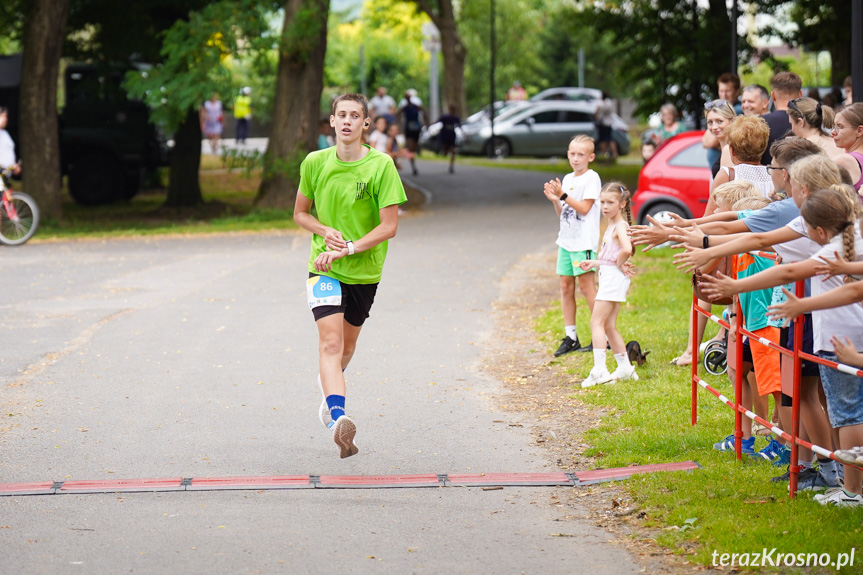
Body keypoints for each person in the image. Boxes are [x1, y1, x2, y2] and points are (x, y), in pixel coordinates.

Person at [700, 185, 863, 505]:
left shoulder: (836, 249)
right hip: (842, 340)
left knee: (847, 415)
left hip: (841, 341)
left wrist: (736, 284)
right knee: (844, 411)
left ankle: (850, 491)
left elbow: (790, 271)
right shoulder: (844, 245)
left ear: (818, 229)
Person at [293, 93, 407, 459]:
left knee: (346, 346)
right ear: (331, 121)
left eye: (354, 116)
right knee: (329, 344)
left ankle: (329, 387)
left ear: (365, 124)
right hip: (323, 267)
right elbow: (300, 214)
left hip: (364, 271)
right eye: (341, 115)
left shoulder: (381, 166)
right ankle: (338, 417)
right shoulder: (314, 163)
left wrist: (351, 247)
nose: (346, 121)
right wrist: (324, 231)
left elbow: (389, 227)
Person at [542, 135, 601, 356]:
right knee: (566, 288)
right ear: (567, 154)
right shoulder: (567, 179)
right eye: (572, 154)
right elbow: (564, 213)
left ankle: (601, 336)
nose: (575, 159)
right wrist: (556, 200)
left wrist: (563, 195)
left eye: (581, 155)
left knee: (587, 288)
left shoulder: (591, 178)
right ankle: (571, 337)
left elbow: (585, 208)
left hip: (582, 243)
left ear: (591, 157)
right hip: (566, 242)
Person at [578, 183, 637, 387]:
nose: (605, 206)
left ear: (622, 204)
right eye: (602, 202)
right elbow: (614, 255)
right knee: (609, 325)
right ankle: (626, 368)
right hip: (611, 276)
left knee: (596, 323)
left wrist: (619, 264)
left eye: (610, 202)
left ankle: (599, 370)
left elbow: (627, 249)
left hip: (612, 279)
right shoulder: (612, 225)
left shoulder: (620, 226)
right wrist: (595, 263)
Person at [759, 72, 803, 165]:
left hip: (767, 175)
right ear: (800, 95)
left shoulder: (759, 123)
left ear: (773, 95)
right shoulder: (809, 122)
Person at [830, 102, 863, 192]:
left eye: (840, 127)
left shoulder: (844, 160)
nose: (833, 132)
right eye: (834, 126)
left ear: (859, 131)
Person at [399, 91, 423, 176]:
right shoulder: (404, 108)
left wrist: (426, 123)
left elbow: (423, 112)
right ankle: (413, 166)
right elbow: (398, 114)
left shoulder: (416, 107)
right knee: (410, 147)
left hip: (416, 128)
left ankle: (417, 148)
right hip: (409, 129)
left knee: (414, 146)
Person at [437, 104, 461, 174]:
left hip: (452, 136)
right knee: (445, 152)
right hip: (445, 136)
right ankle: (444, 151)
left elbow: (460, 126)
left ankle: (451, 166)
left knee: (453, 151)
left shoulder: (456, 118)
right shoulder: (445, 118)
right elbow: (438, 121)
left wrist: (465, 136)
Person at [594, 92, 617, 159]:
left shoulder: (602, 104)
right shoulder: (610, 102)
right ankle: (615, 153)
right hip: (609, 123)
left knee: (603, 140)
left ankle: (603, 153)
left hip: (603, 124)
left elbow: (597, 113)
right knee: (610, 139)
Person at [0, 107, 21, 177]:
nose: (5, 119)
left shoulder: (5, 134)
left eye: (6, 116)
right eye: (2, 116)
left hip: (4, 177)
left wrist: (14, 165)